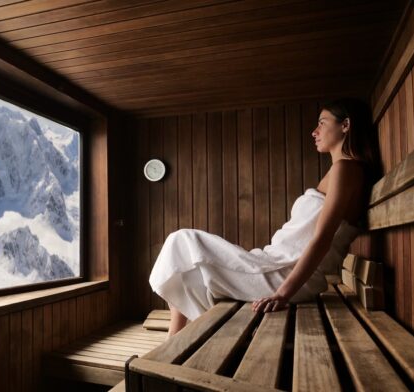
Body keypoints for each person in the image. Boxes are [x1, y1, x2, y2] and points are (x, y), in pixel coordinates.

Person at [149, 98, 382, 338]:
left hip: (285, 273)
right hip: (275, 264)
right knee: (183, 264)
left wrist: (282, 294)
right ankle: (174, 342)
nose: (315, 131)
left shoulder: (347, 169)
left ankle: (173, 342)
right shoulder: (341, 171)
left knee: (181, 241)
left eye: (322, 123)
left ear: (346, 125)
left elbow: (322, 239)